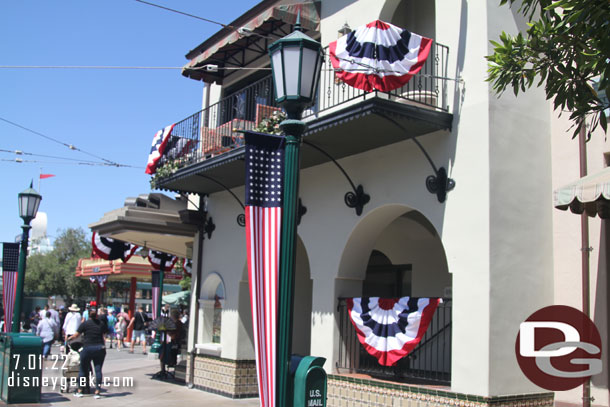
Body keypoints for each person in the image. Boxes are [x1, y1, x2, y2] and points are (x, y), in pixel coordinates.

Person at [67, 309, 107, 399]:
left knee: (83, 370)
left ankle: (80, 390)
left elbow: (76, 335)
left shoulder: (85, 324)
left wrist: (69, 339)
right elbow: (104, 334)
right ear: (96, 316)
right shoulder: (101, 324)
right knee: (98, 370)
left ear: (88, 316)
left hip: (87, 348)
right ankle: (97, 392)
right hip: (100, 348)